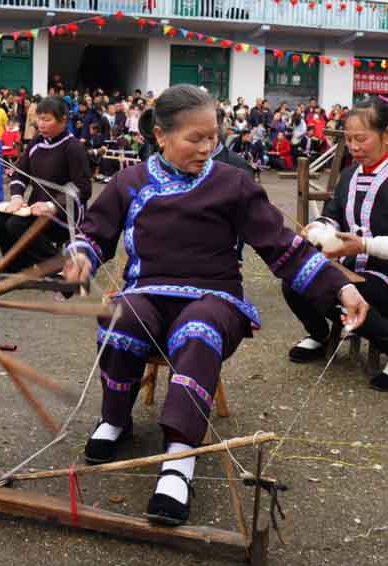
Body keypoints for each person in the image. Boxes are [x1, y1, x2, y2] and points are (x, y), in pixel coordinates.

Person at [62, 85, 368, 526]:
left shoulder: (234, 185)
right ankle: (115, 419)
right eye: (195, 138)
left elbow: (283, 247)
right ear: (161, 136)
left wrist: (339, 287)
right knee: (121, 318)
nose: (207, 148)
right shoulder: (130, 183)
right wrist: (80, 259)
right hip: (147, 292)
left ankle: (179, 460)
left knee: (198, 329)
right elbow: (94, 234)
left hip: (214, 297)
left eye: (213, 137)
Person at [284, 96, 388, 391]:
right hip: (354, 268)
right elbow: (333, 218)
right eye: (349, 139)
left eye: (361, 139)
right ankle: (318, 334)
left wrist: (364, 246)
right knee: (294, 278)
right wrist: (317, 230)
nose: (353, 147)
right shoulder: (349, 175)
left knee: (337, 290)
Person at [0, 97, 91, 273]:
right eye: (39, 119)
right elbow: (19, 174)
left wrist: (51, 205)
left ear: (63, 120)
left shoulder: (73, 148)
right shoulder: (36, 142)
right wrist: (16, 197)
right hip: (36, 208)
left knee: (16, 225)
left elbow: (83, 189)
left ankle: (60, 267)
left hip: (64, 214)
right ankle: (15, 266)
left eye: (47, 119)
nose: (41, 124)